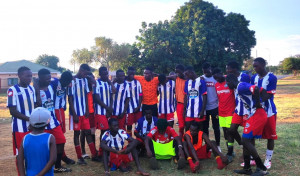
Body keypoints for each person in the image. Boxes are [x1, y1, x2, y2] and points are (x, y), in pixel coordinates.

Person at [226, 74, 269, 175]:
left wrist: (258, 103)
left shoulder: (240, 86)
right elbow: (262, 90)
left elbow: (257, 88)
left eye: (227, 83)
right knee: (246, 141)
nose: (227, 85)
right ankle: (247, 168)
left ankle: (262, 168)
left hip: (257, 115)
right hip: (253, 115)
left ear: (231, 81)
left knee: (245, 140)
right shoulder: (238, 88)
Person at [36, 68, 71, 173]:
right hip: (41, 123)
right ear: (40, 79)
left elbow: (62, 86)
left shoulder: (52, 87)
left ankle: (57, 166)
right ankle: (43, 167)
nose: (48, 80)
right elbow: (34, 80)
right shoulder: (35, 90)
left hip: (53, 121)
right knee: (43, 146)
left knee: (61, 141)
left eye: (49, 78)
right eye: (46, 78)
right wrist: (37, 91)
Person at [7, 66, 37, 174]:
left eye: (31, 76)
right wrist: (30, 119)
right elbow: (13, 111)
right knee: (20, 153)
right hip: (19, 128)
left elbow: (34, 106)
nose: (30, 78)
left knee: (31, 152)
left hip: (32, 127)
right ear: (19, 76)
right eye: (27, 76)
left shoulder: (31, 89)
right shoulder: (12, 90)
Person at [68, 64, 99, 165]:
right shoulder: (72, 81)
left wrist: (86, 110)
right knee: (77, 134)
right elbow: (70, 98)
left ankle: (94, 155)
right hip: (76, 113)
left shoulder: (85, 80)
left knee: (88, 132)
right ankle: (79, 157)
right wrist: (74, 114)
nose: (86, 75)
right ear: (81, 70)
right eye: (85, 73)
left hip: (84, 112)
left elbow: (86, 96)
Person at [251, 57, 277, 169]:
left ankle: (268, 159)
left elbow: (268, 95)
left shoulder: (272, 77)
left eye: (256, 66)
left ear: (263, 64)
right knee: (251, 134)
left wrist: (258, 99)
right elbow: (252, 93)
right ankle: (253, 158)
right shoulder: (254, 78)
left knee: (270, 136)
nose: (254, 68)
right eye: (254, 66)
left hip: (269, 111)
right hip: (256, 111)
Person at [17, 107, 57, 176]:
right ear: (47, 123)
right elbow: (53, 160)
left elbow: (19, 159)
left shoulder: (25, 138)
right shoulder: (50, 138)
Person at [226, 61, 250, 163]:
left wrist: (234, 84)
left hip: (246, 109)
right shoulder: (231, 77)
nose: (227, 71)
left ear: (234, 69)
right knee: (231, 129)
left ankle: (247, 153)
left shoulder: (244, 76)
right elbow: (231, 86)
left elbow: (247, 90)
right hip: (238, 109)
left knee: (247, 134)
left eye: (228, 69)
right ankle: (242, 145)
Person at [51, 71, 75, 164]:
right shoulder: (54, 83)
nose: (69, 84)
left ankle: (62, 156)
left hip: (61, 110)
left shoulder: (66, 84)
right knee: (59, 136)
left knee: (61, 134)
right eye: (68, 81)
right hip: (55, 111)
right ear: (64, 80)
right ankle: (61, 157)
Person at [213, 68, 236, 162]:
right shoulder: (216, 85)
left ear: (221, 73)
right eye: (215, 78)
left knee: (230, 132)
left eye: (217, 77)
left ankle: (229, 153)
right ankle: (230, 150)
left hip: (230, 112)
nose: (217, 79)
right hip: (221, 112)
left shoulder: (229, 80)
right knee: (225, 133)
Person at [93, 66, 114, 157]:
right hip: (100, 112)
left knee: (108, 131)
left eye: (107, 73)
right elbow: (96, 98)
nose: (106, 75)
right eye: (104, 73)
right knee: (104, 131)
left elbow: (113, 93)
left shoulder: (109, 83)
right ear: (100, 74)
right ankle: (102, 152)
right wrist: (107, 108)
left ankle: (105, 150)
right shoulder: (97, 83)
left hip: (108, 111)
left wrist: (110, 108)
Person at [202, 63, 221, 151]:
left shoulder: (215, 78)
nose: (206, 73)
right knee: (205, 127)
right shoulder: (201, 78)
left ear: (210, 69)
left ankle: (218, 145)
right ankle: (208, 145)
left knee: (216, 127)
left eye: (207, 71)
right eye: (204, 72)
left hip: (215, 107)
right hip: (205, 108)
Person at [183, 66, 207, 131]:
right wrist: (184, 109)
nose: (185, 76)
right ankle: (188, 141)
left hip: (199, 110)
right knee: (187, 127)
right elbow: (185, 96)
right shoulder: (187, 82)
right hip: (189, 110)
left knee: (200, 129)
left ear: (191, 73)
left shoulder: (201, 81)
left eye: (186, 74)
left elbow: (204, 96)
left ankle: (199, 141)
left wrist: (202, 110)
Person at [80, 72, 97, 159]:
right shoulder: (83, 88)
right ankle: (83, 151)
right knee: (84, 132)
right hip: (85, 112)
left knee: (92, 131)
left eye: (93, 78)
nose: (92, 80)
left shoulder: (94, 88)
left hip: (93, 113)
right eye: (90, 79)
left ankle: (93, 151)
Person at [126, 67, 143, 136]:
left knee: (138, 125)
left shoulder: (137, 82)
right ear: (127, 73)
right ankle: (130, 142)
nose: (132, 74)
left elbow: (141, 95)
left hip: (138, 108)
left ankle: (138, 141)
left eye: (133, 73)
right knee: (129, 126)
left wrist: (139, 106)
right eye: (130, 73)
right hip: (128, 109)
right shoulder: (124, 83)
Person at [174, 64, 186, 137]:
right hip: (179, 104)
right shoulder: (176, 78)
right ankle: (181, 139)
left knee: (188, 123)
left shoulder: (188, 80)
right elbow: (165, 77)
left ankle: (188, 139)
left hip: (188, 104)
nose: (177, 74)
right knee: (181, 126)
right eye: (176, 72)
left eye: (178, 72)